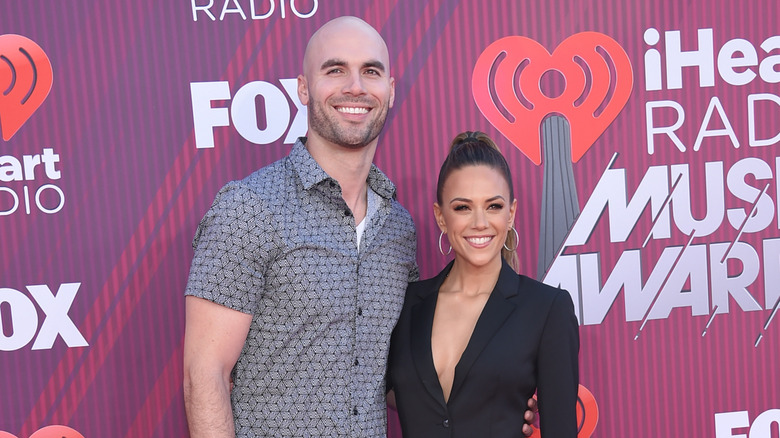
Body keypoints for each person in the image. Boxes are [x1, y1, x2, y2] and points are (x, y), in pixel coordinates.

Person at [182, 16, 538, 437]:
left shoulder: (398, 227)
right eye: (335, 70)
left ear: (389, 90)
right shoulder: (251, 207)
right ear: (303, 88)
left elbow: (387, 377)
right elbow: (204, 375)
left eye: (371, 71)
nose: (355, 86)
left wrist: (487, 392)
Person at [388, 131, 579, 437]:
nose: (480, 222)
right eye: (462, 207)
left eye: (494, 206)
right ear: (441, 216)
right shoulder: (407, 304)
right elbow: (377, 391)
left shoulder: (546, 310)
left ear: (512, 213)